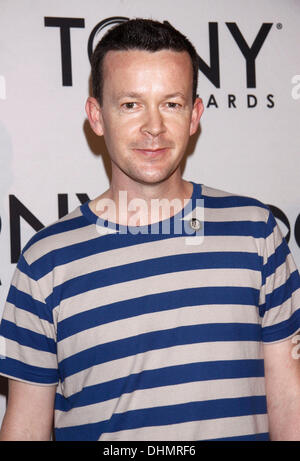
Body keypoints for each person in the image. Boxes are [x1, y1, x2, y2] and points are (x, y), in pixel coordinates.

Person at [0, 18, 300, 442]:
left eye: (172, 104)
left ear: (194, 115)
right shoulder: (45, 262)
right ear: (96, 116)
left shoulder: (255, 234)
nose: (154, 127)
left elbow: (291, 406)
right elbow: (26, 429)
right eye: (130, 104)